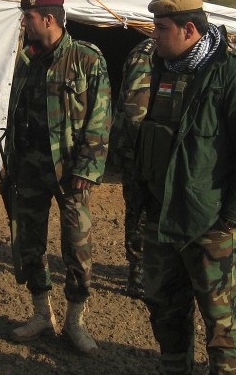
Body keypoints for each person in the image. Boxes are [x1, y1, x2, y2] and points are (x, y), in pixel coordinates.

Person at [136, 0, 236, 374]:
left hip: (210, 224)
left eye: (161, 27)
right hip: (164, 220)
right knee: (165, 308)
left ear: (189, 29)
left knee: (221, 322)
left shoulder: (234, 76)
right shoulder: (163, 71)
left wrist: (230, 218)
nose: (154, 34)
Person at [3, 0, 111, 355]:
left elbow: (101, 117)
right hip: (29, 170)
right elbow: (14, 112)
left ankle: (75, 320)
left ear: (48, 19)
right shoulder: (26, 59)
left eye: (28, 18)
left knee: (76, 247)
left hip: (70, 172)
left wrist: (88, 166)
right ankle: (41, 314)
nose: (24, 23)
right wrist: (10, 160)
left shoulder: (86, 58)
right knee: (29, 241)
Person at [110, 37, 156, 298]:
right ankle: (138, 273)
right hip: (138, 152)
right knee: (140, 212)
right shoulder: (147, 55)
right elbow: (136, 110)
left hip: (152, 151)